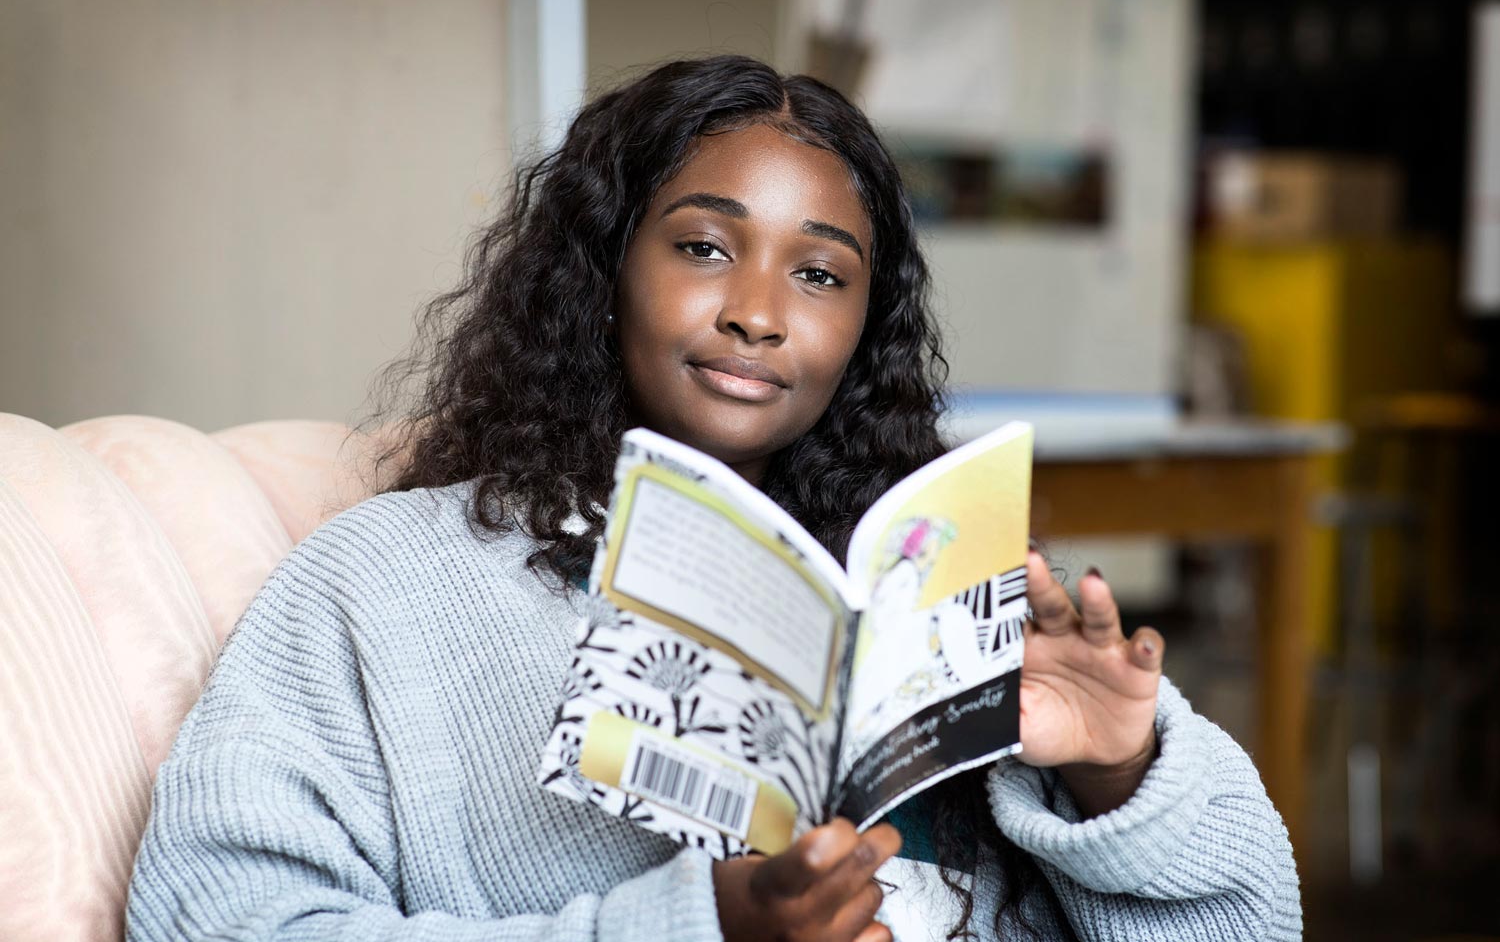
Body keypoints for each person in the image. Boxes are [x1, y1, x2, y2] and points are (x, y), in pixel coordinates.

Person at [126, 55, 1301, 942]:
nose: (759, 309)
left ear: (861, 330)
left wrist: (1119, 773)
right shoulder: (384, 582)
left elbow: (1255, 922)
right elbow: (217, 915)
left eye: (820, 273)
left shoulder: (933, 584)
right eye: (702, 247)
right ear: (600, 275)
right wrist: (700, 925)